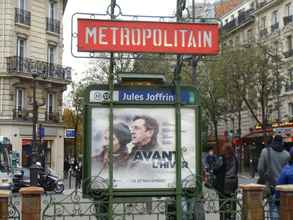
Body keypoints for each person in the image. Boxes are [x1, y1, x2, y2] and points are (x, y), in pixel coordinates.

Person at [257, 135, 290, 220]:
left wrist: (264, 178)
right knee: (284, 211)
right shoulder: (287, 155)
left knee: (273, 210)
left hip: (271, 185)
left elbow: (260, 169)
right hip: (284, 188)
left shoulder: (265, 151)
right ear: (282, 143)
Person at [214, 143, 238, 220]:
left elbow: (216, 169)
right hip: (233, 182)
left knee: (222, 202)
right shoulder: (235, 158)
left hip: (223, 183)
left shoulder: (221, 158)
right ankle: (232, 216)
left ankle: (223, 217)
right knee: (232, 201)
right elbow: (237, 169)